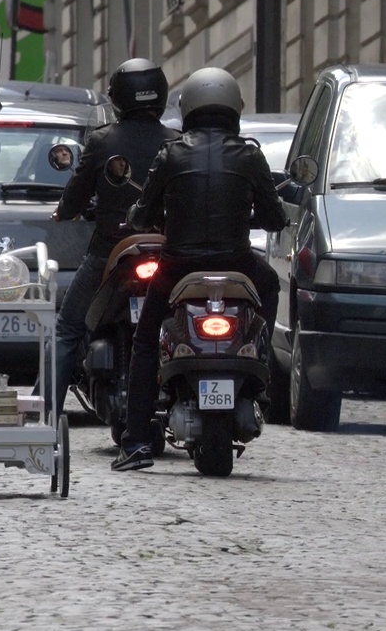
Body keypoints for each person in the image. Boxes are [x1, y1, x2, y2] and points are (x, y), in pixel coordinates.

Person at [112, 67, 287, 472]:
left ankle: (137, 442)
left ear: (188, 107)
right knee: (271, 287)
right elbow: (275, 216)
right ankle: (260, 368)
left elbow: (144, 212)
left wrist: (140, 216)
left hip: (178, 266)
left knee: (143, 342)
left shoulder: (171, 153)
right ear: (234, 108)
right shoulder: (250, 154)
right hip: (237, 263)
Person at [45, 58, 181, 416]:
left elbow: (74, 197)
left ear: (118, 98)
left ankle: (43, 413)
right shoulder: (177, 143)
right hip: (168, 254)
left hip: (111, 253)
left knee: (67, 328)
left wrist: (65, 212)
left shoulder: (103, 141)